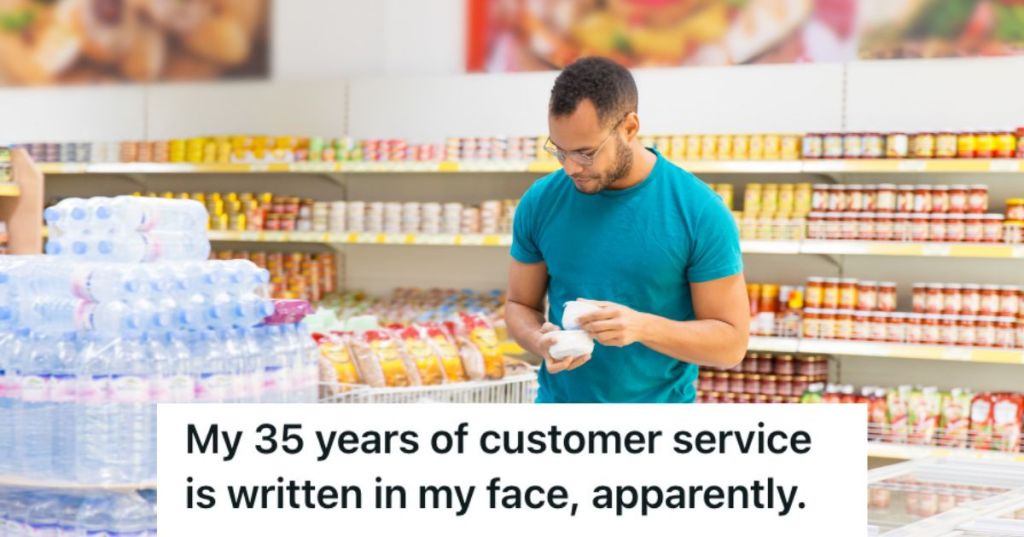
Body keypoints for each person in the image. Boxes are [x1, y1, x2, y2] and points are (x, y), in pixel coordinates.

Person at [505, 56, 749, 403]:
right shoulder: (541, 202)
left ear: (630, 128)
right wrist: (537, 339)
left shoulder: (698, 211)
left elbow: (731, 345)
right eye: (559, 151)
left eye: (586, 152)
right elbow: (518, 304)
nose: (571, 167)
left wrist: (642, 327)